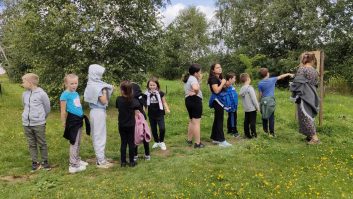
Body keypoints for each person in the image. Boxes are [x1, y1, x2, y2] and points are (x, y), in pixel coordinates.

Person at [84, 64, 114, 169]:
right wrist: (105, 91)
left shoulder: (91, 83)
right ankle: (101, 161)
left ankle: (100, 157)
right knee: (100, 136)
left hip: (94, 111)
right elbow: (104, 100)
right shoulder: (98, 86)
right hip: (98, 112)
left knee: (97, 135)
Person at [60, 74, 90, 173]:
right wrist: (64, 121)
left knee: (78, 141)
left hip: (79, 119)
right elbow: (63, 110)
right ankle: (73, 165)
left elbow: (77, 106)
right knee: (74, 142)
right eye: (71, 83)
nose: (74, 85)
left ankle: (76, 160)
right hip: (72, 121)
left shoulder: (75, 93)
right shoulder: (65, 95)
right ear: (66, 84)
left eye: (76, 83)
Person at [21, 73, 51, 171]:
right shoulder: (24, 94)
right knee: (31, 143)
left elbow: (47, 108)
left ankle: (45, 162)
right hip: (26, 124)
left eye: (24, 82)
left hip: (39, 123)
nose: (22, 84)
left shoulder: (42, 94)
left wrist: (41, 118)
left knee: (42, 143)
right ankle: (35, 162)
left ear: (30, 83)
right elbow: (24, 106)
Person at [290, 53, 320, 144]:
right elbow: (316, 83)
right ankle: (309, 136)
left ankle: (315, 138)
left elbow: (297, 82)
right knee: (308, 115)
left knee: (305, 116)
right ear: (312, 60)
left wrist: (293, 90)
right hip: (312, 94)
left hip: (304, 94)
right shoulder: (314, 70)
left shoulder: (302, 69)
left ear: (304, 60)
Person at [258, 68, 294, 137]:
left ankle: (265, 131)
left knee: (264, 115)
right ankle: (272, 133)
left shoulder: (260, 83)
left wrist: (259, 102)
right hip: (270, 100)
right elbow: (281, 76)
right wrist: (289, 74)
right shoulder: (272, 80)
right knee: (271, 117)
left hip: (264, 100)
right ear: (267, 74)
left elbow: (260, 94)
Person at [116, 80, 140, 167]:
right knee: (131, 143)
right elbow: (138, 108)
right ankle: (132, 162)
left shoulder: (118, 99)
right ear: (131, 90)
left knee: (123, 143)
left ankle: (123, 162)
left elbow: (118, 107)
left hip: (122, 125)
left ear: (122, 90)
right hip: (131, 125)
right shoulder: (133, 101)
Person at [208, 63, 232, 147]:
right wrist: (222, 83)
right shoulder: (213, 79)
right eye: (217, 67)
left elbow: (223, 88)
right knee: (219, 120)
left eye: (220, 67)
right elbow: (216, 91)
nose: (220, 68)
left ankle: (215, 138)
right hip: (217, 101)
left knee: (217, 119)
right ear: (213, 70)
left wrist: (227, 84)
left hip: (220, 100)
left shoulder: (219, 78)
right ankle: (222, 141)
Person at [145, 77, 170, 151]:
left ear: (157, 86)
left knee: (162, 128)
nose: (152, 87)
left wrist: (167, 108)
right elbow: (144, 103)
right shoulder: (146, 94)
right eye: (150, 85)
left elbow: (164, 102)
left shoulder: (160, 93)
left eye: (154, 85)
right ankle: (156, 141)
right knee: (153, 129)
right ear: (148, 86)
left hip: (160, 113)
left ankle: (161, 141)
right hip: (151, 114)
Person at [183, 64, 204, 148]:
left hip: (188, 100)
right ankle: (197, 143)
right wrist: (195, 92)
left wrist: (199, 80)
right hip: (195, 101)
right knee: (196, 122)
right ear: (196, 73)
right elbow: (195, 88)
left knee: (192, 121)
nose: (200, 73)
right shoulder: (193, 80)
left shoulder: (190, 78)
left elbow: (195, 85)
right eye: (199, 71)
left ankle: (189, 140)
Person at [131, 82, 150, 161]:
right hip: (141, 119)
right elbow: (145, 106)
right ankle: (147, 154)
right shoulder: (141, 96)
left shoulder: (133, 98)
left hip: (135, 120)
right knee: (144, 135)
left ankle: (136, 155)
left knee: (135, 137)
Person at [239, 73, 260, 139]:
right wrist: (257, 107)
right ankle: (254, 135)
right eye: (249, 78)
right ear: (248, 79)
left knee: (246, 121)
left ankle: (247, 134)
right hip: (252, 108)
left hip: (246, 108)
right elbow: (254, 99)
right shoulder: (250, 88)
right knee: (252, 122)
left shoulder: (242, 88)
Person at [224, 72, 239, 138]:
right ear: (230, 79)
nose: (235, 80)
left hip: (234, 105)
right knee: (233, 117)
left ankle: (229, 130)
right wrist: (228, 105)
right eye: (234, 78)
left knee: (231, 116)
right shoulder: (225, 86)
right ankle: (234, 131)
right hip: (231, 106)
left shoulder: (231, 86)